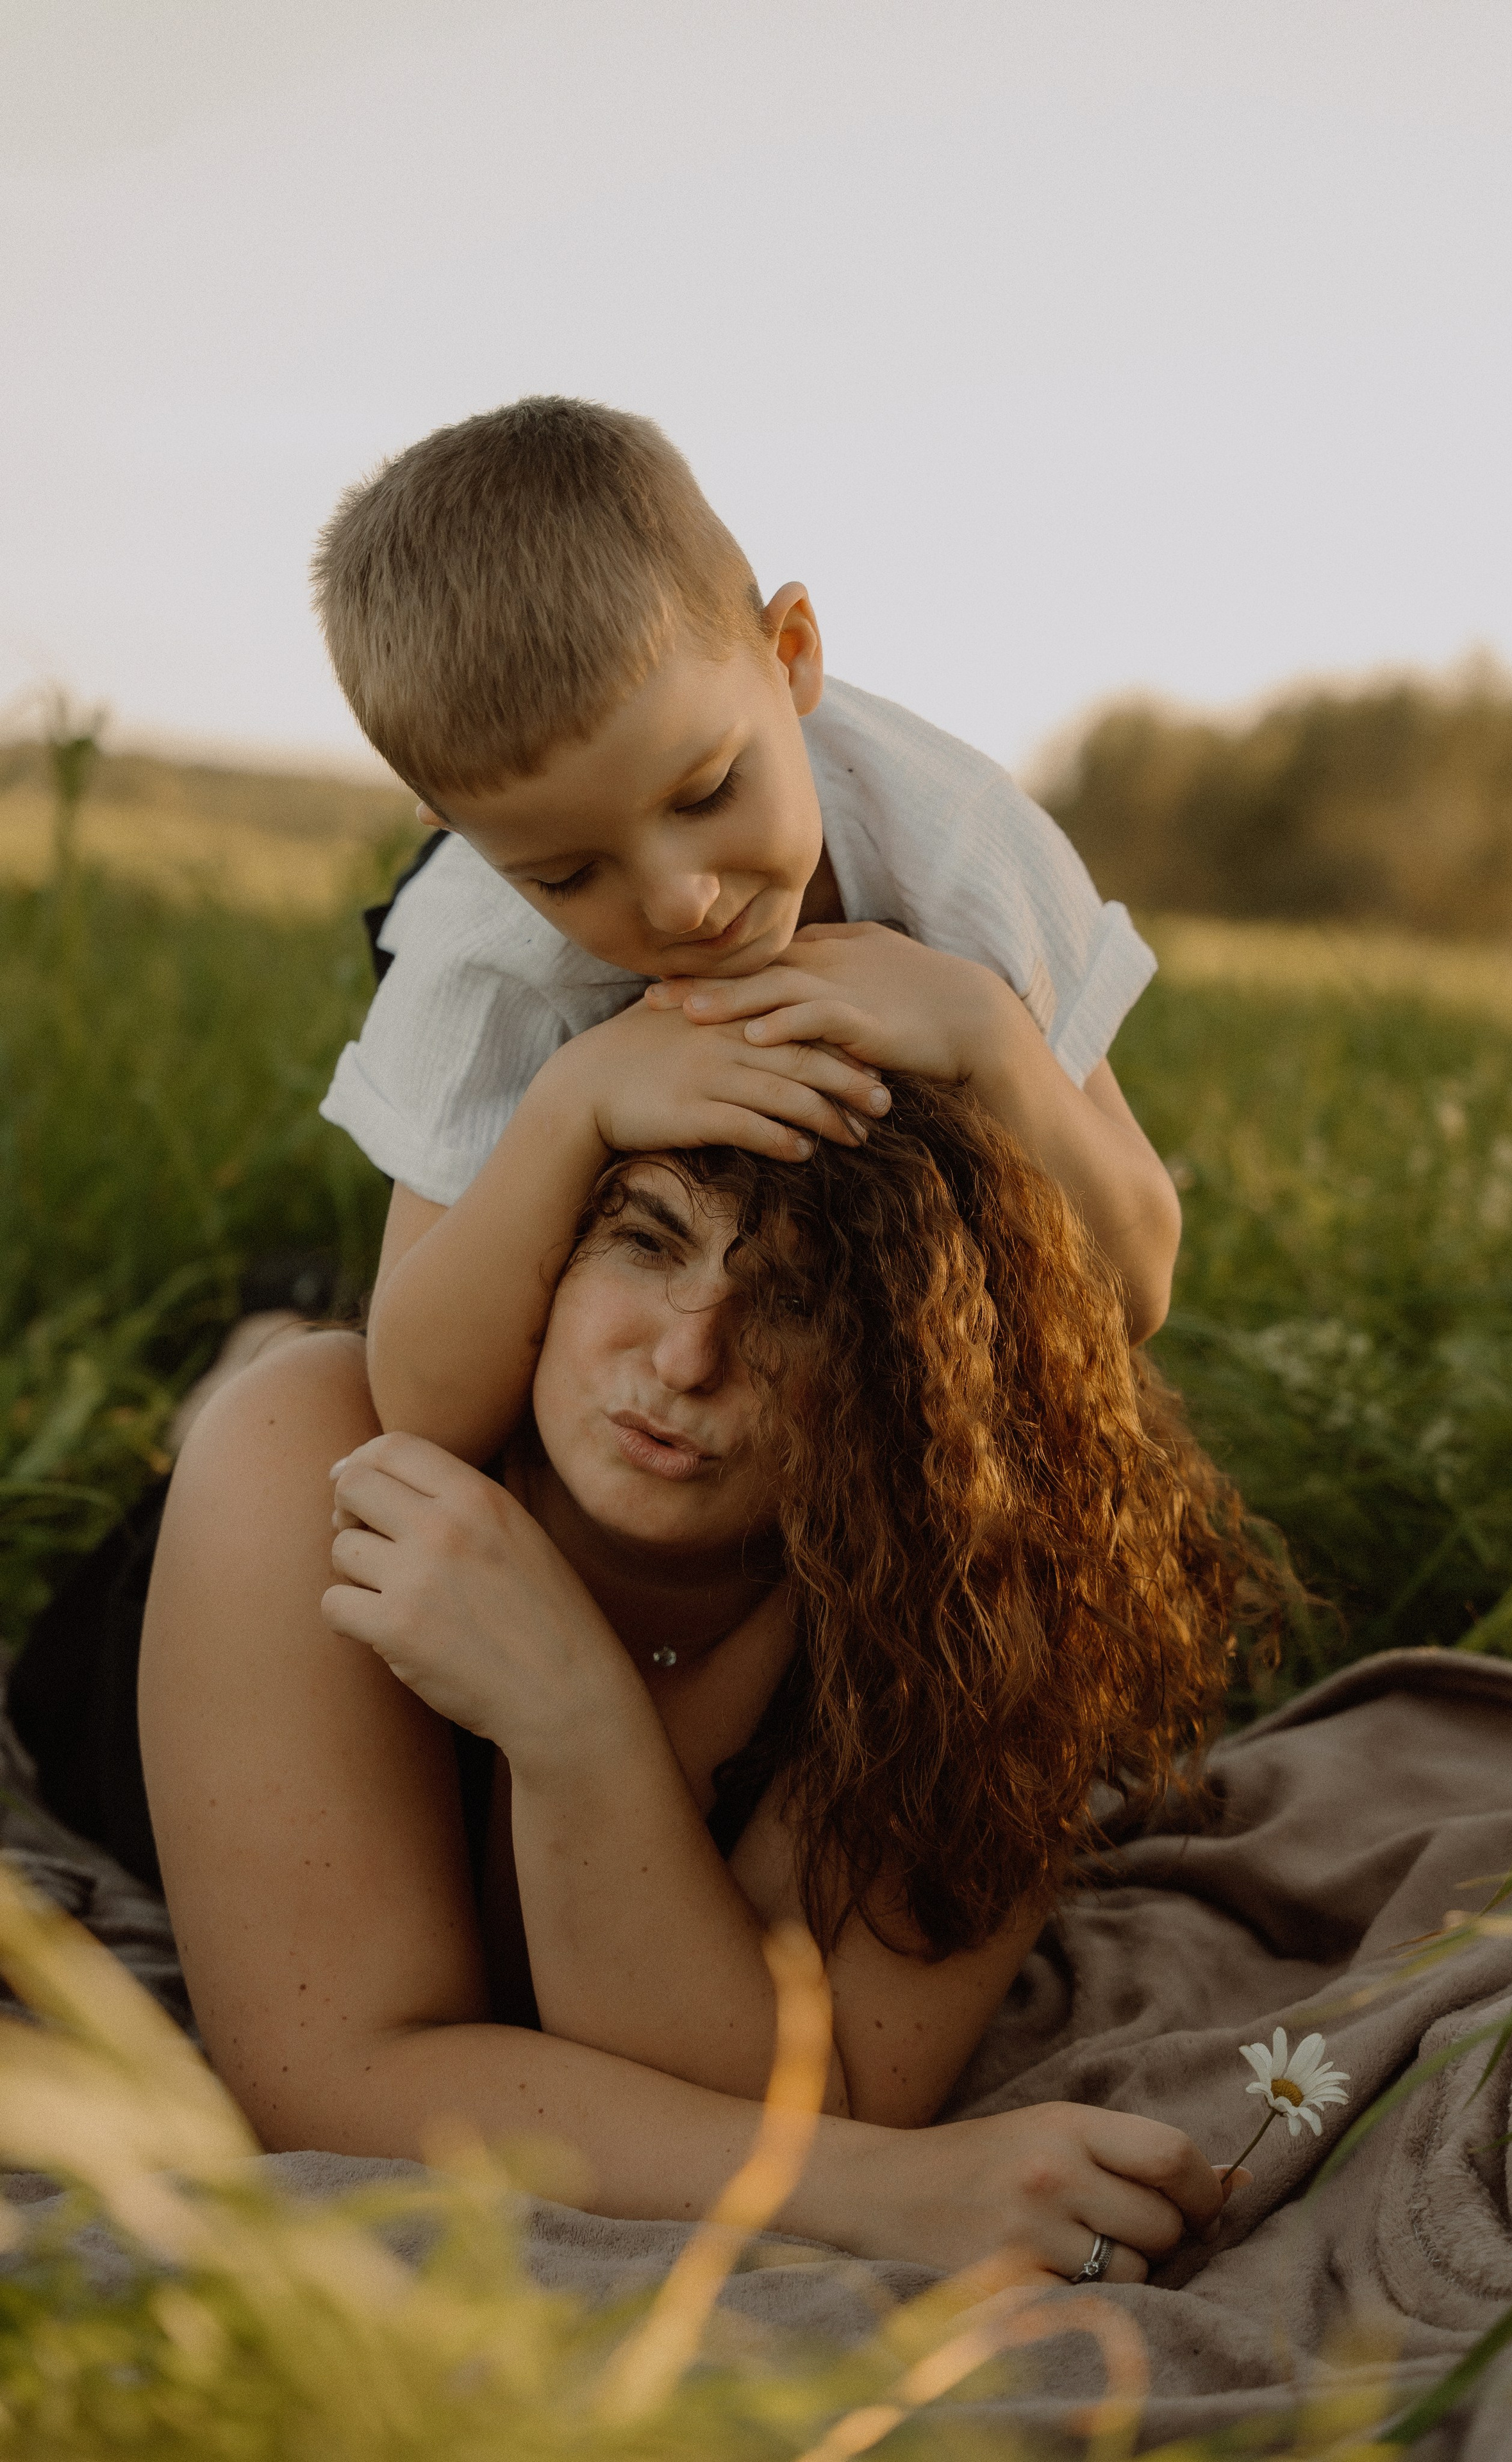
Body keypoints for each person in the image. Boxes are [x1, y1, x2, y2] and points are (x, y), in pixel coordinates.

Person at [138, 1079, 1276, 2282]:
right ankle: (245, 1344)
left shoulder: (986, 1587)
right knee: (262, 1387)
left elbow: (819, 2092)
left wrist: (574, 1727)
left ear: (918, 1361)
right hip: (205, 1564)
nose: (687, 1357)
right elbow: (328, 2079)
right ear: (546, 1256)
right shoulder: (314, 1452)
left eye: (796, 1299)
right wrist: (874, 2193)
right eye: (644, 1241)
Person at [311, 396, 1183, 1471]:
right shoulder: (487, 948)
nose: (680, 904)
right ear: (464, 838)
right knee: (346, 1340)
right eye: (571, 874)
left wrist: (989, 1033)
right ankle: (268, 1324)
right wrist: (574, 1104)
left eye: (709, 791)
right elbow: (423, 1407)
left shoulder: (959, 850)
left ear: (794, 653)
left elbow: (1134, 1288)